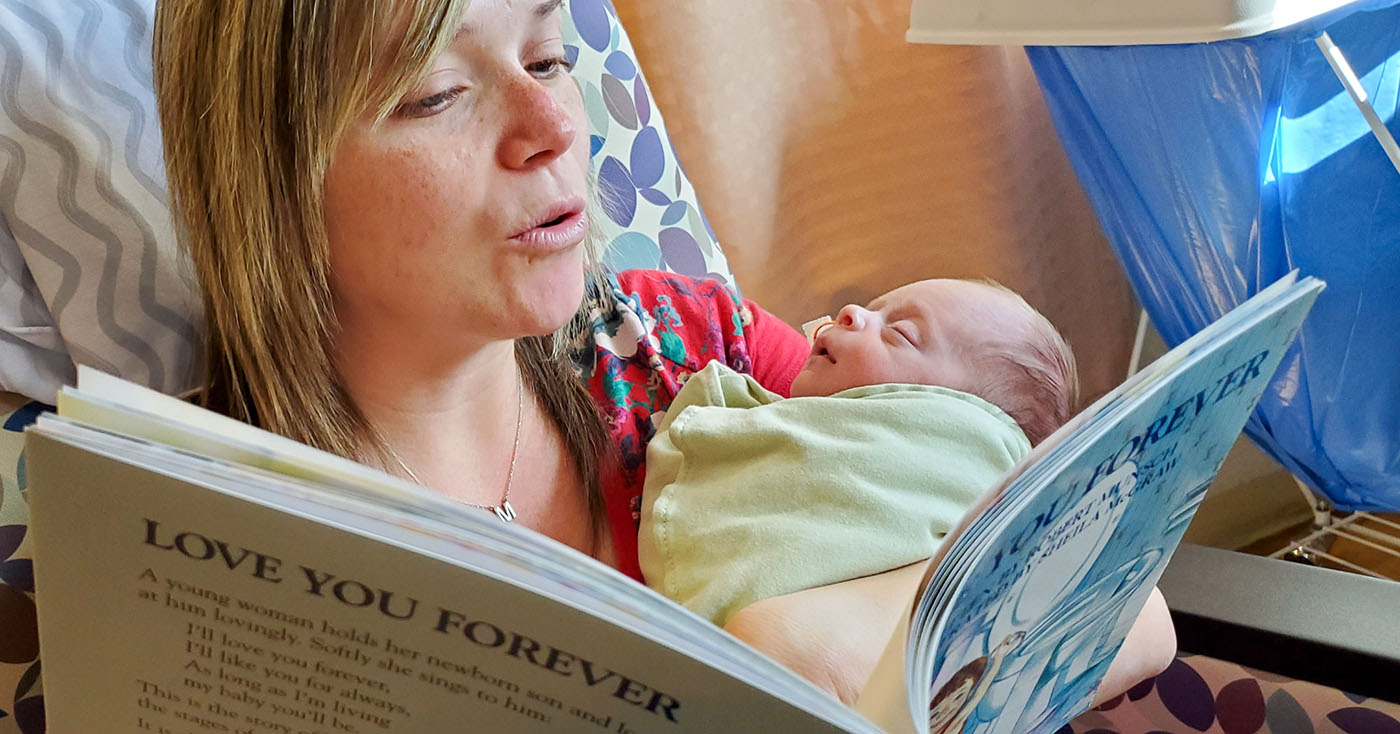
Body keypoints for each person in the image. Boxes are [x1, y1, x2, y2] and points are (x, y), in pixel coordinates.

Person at [151, 0, 1172, 714]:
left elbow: (1129, 602)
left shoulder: (677, 346)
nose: (554, 124)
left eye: (547, 58)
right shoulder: (222, 542)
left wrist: (796, 638)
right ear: (278, 183)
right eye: (434, 92)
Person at [639, 278, 1077, 626]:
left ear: (948, 418)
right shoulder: (800, 425)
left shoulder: (963, 469)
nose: (852, 313)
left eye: (900, 333)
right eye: (873, 306)